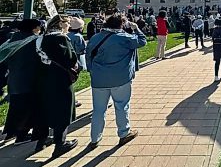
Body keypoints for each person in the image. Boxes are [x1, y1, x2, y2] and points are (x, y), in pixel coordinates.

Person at [85, 14, 147, 149]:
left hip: (99, 79)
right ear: (122, 24)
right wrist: (136, 28)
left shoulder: (95, 37)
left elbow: (88, 56)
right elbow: (142, 41)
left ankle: (95, 138)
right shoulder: (124, 37)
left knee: (98, 110)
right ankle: (124, 133)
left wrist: (92, 71)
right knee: (121, 106)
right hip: (121, 78)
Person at [35, 15, 79, 157]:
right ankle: (60, 143)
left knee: (45, 108)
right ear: (60, 24)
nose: (69, 25)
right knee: (63, 109)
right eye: (67, 23)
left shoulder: (41, 39)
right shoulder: (61, 38)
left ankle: (41, 141)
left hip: (43, 78)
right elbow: (70, 59)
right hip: (60, 79)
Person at [1, 19, 44, 146]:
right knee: (27, 108)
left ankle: (10, 132)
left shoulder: (12, 39)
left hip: (14, 79)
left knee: (15, 107)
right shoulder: (32, 40)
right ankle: (22, 135)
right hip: (28, 79)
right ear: (34, 28)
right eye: (38, 27)